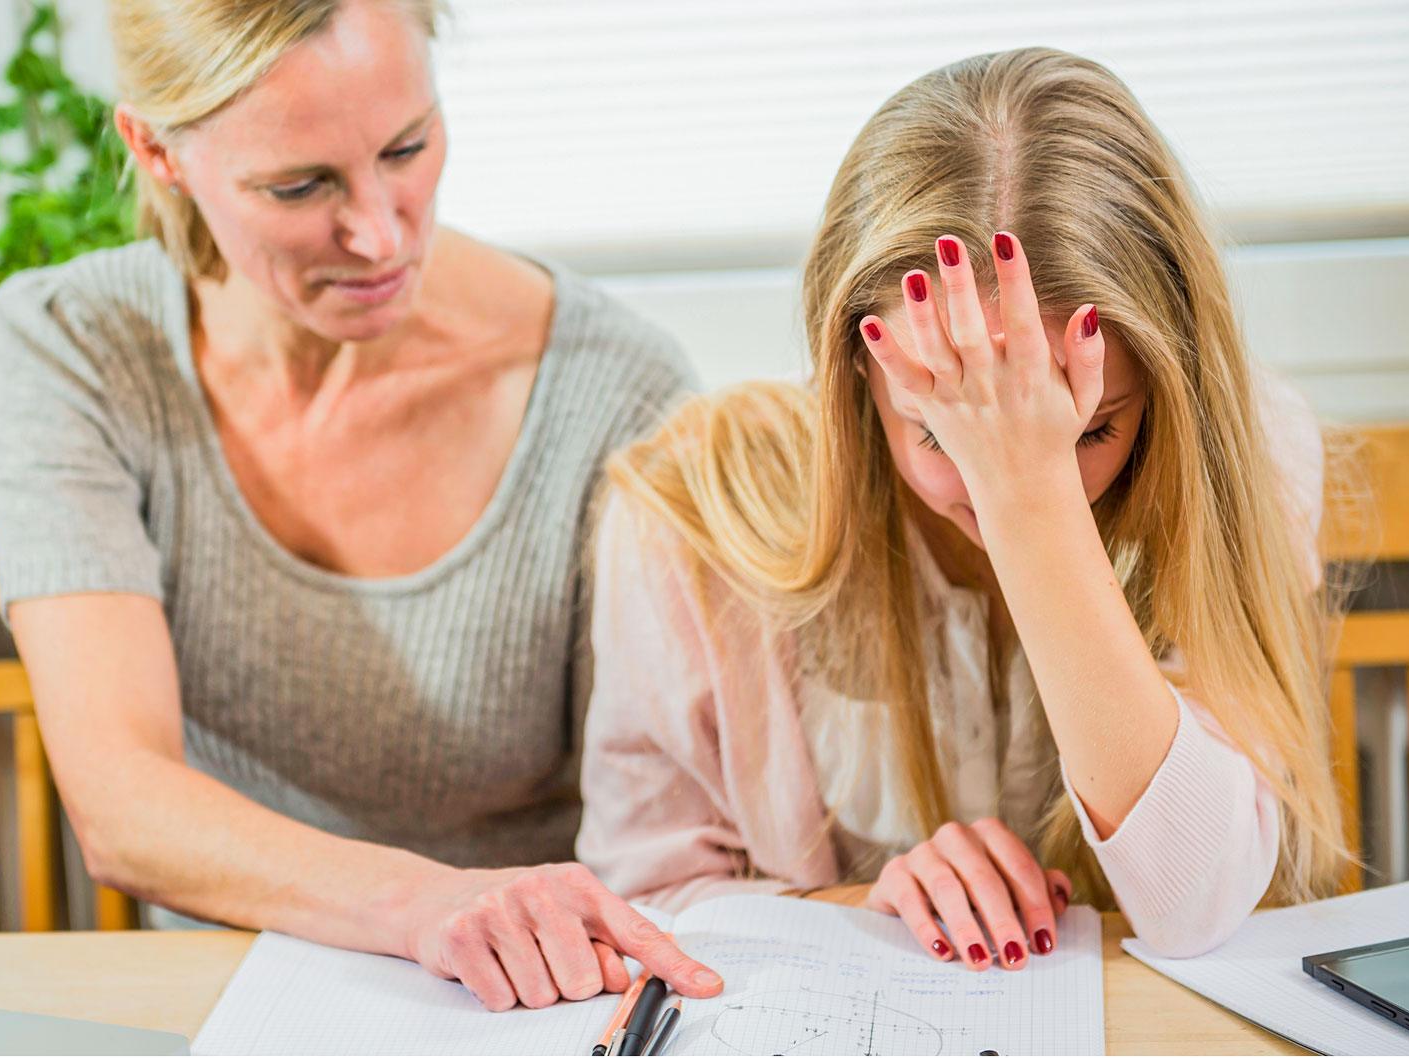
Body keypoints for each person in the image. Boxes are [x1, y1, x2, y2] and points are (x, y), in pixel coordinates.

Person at [0, 0, 721, 1010]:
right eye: (298, 183)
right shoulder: (70, 349)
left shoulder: (615, 386)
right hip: (227, 1002)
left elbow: (661, 829)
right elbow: (119, 800)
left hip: (540, 1003)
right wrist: (425, 907)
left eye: (406, 147)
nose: (376, 233)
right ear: (154, 149)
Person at [577, 47, 1349, 970]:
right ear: (853, 372)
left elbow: (1198, 901)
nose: (1000, 485)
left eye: (1089, 430)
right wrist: (865, 902)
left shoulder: (1246, 453)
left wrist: (1040, 516)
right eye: (942, 433)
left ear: (1163, 384)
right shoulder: (687, 517)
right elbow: (639, 907)